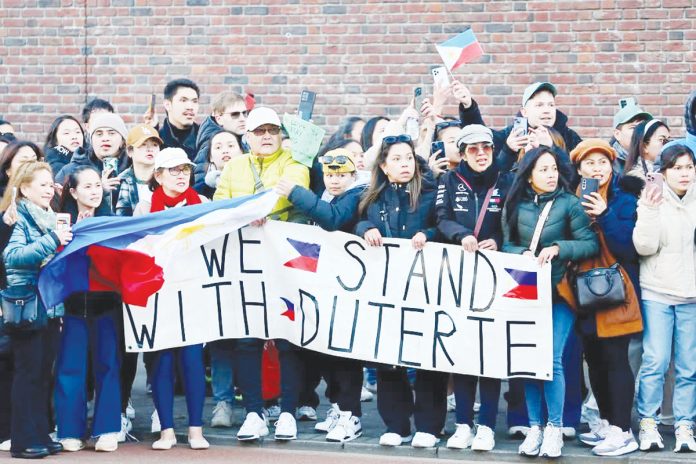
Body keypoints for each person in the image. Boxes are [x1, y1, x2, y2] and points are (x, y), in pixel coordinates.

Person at [214, 106, 309, 442]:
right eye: (259, 132)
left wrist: (258, 209)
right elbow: (220, 205)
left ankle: (287, 412)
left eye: (272, 131)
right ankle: (254, 412)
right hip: (246, 264)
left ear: (280, 134)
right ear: (248, 136)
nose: (267, 136)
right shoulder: (234, 167)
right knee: (247, 339)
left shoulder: (294, 162)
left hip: (283, 262)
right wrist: (246, 216)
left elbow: (295, 191)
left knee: (286, 337)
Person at [502, 147, 598, 458]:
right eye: (543, 169)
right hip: (526, 289)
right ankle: (535, 428)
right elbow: (507, 242)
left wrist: (559, 247)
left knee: (552, 359)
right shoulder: (515, 204)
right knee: (530, 361)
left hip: (560, 291)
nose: (550, 174)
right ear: (529, 175)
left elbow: (589, 243)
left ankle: (554, 428)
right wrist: (521, 255)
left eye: (554, 168)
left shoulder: (569, 203)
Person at [355, 134, 444, 449]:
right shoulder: (373, 196)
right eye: (396, 159)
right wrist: (367, 230)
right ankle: (396, 423)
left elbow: (444, 226)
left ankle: (429, 425)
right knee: (388, 357)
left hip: (425, 287)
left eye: (408, 158)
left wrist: (427, 233)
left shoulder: (431, 193)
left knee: (426, 357)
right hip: (387, 290)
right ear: (383, 164)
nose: (404, 164)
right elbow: (358, 223)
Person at [276, 149, 367, 442]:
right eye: (330, 175)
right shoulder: (327, 195)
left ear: (353, 176)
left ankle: (349, 414)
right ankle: (338, 408)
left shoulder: (355, 196)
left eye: (341, 175)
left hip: (346, 288)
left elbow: (333, 220)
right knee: (328, 353)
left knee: (345, 356)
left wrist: (296, 193)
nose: (335, 180)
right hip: (326, 287)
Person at [563, 139, 643, 456]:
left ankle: (624, 431)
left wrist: (605, 214)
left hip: (616, 293)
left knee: (615, 359)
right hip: (583, 291)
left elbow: (628, 248)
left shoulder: (624, 201)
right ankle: (609, 425)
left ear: (612, 166)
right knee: (594, 361)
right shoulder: (573, 202)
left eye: (603, 163)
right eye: (590, 164)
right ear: (580, 169)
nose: (598, 169)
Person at [436, 125, 512, 452]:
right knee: (464, 355)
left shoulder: (507, 180)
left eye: (486, 148)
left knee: (489, 356)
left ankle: (487, 427)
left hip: (495, 278)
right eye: (473, 149)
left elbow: (516, 223)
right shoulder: (449, 180)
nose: (481, 154)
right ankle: (463, 423)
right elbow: (440, 216)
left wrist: (502, 243)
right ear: (462, 153)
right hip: (459, 276)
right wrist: (459, 235)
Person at [133, 148, 209, 450]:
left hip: (191, 293)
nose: (181, 175)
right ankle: (166, 429)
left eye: (185, 170)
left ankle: (195, 430)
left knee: (192, 362)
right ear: (159, 175)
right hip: (158, 295)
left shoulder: (202, 203)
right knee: (161, 362)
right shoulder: (144, 207)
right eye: (174, 170)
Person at [1, 161, 72, 459]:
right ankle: (22, 440)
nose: (48, 188)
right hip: (27, 305)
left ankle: (40, 433)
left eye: (49, 183)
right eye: (41, 184)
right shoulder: (19, 216)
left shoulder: (49, 216)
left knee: (44, 373)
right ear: (25, 188)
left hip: (49, 306)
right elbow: (13, 256)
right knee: (28, 374)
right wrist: (53, 239)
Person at [633, 143, 696, 453]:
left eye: (689, 167)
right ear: (664, 172)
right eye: (677, 168)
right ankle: (648, 423)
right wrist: (649, 208)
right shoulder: (651, 199)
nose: (684, 173)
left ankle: (685, 425)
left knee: (689, 366)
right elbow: (643, 247)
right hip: (657, 291)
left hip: (693, 295)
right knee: (655, 360)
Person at [54, 166, 121, 453]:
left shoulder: (111, 221)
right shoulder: (61, 222)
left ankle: (107, 429)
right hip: (72, 305)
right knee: (70, 368)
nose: (94, 192)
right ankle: (69, 430)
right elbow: (56, 262)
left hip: (107, 304)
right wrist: (74, 234)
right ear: (73, 191)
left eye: (97, 186)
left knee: (108, 365)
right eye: (87, 187)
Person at [459, 82, 582, 172]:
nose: (547, 110)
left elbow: (578, 173)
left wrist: (553, 147)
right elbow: (478, 134)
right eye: (539, 105)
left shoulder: (570, 137)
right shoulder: (512, 135)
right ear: (524, 112)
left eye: (551, 105)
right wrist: (469, 107)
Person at [115, 124, 162, 217]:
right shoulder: (119, 182)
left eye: (155, 145)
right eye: (143, 145)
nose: (150, 149)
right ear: (130, 151)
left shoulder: (168, 178)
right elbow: (120, 219)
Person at [194, 91, 247, 166]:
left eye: (244, 113)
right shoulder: (210, 145)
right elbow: (200, 175)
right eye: (235, 114)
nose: (242, 118)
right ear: (219, 119)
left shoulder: (240, 139)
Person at [157, 79, 200, 161]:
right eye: (183, 100)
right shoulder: (157, 142)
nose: (190, 107)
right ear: (167, 105)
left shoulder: (206, 140)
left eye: (195, 101)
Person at [194, 129, 243, 199]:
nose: (225, 151)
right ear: (210, 157)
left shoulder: (256, 178)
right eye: (218, 147)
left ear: (241, 152)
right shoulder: (199, 192)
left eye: (231, 146)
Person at [610, 99, 652, 174]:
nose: (640, 131)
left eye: (643, 126)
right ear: (617, 134)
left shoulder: (654, 157)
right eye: (633, 127)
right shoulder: (608, 163)